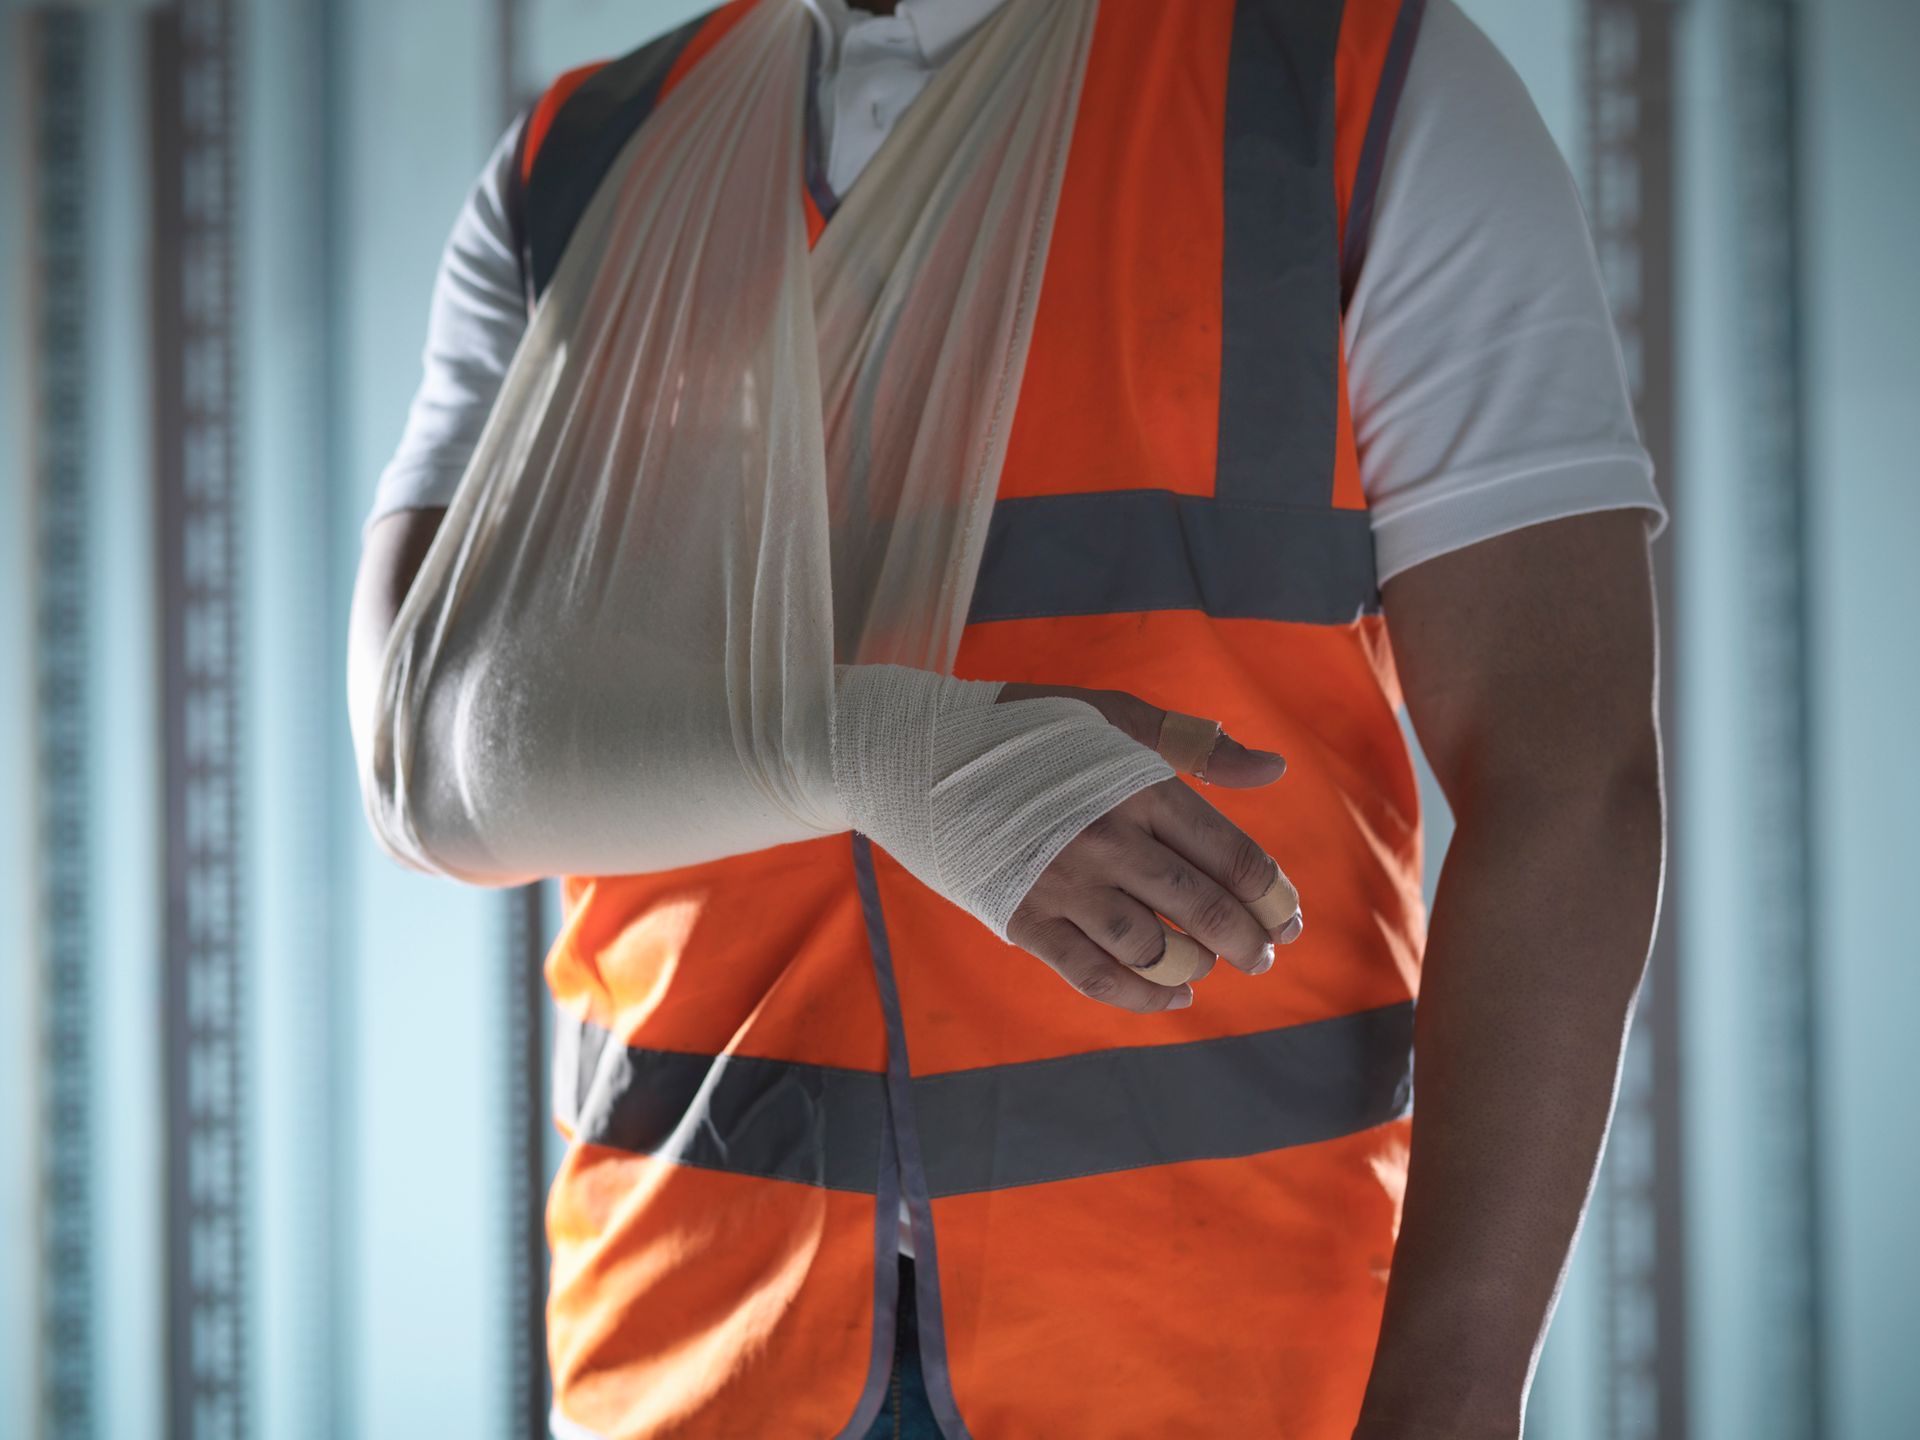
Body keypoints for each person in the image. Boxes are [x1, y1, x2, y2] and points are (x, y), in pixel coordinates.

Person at [347, 1, 1667, 1436]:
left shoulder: (1353, 85)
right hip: (698, 1341)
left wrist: (1449, 1399)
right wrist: (888, 749)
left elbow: (1566, 772)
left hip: (1219, 1350)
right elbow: (422, 754)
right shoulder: (575, 166)